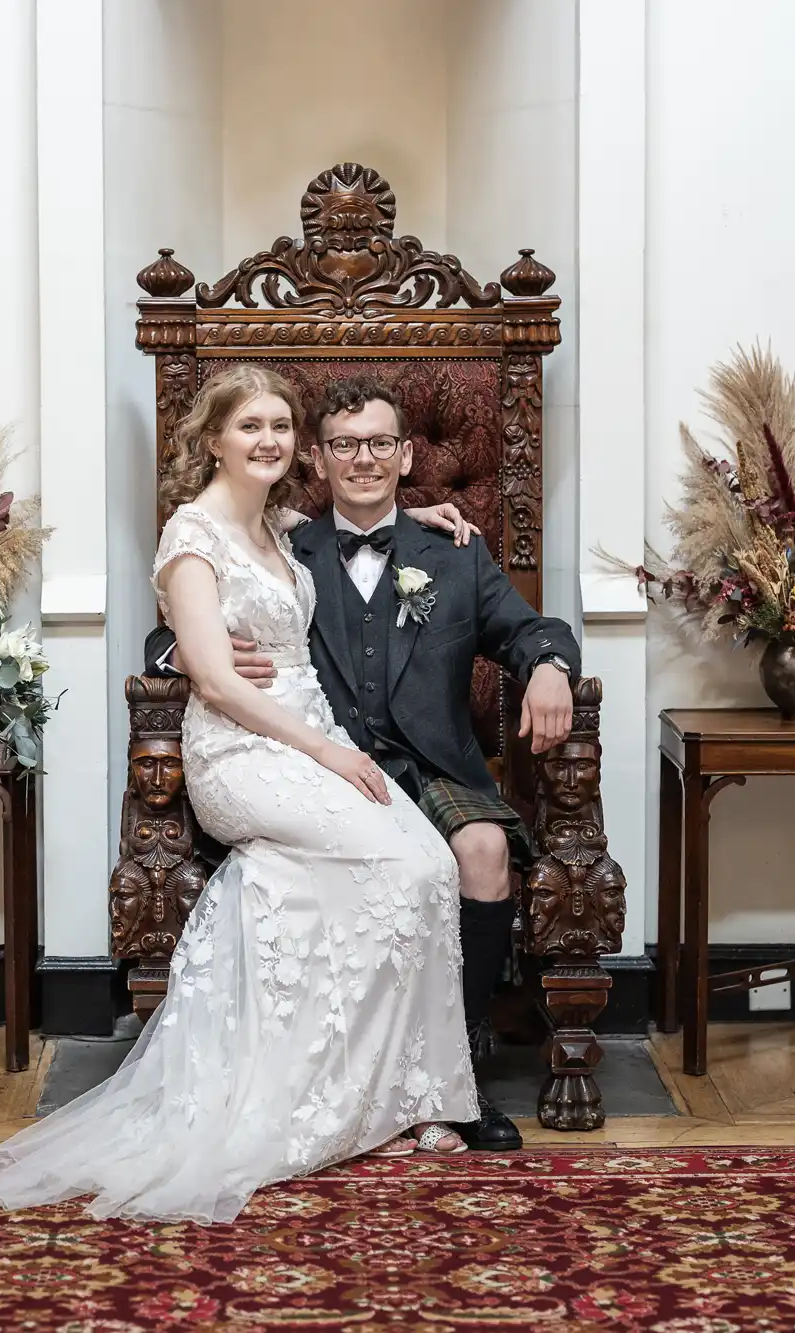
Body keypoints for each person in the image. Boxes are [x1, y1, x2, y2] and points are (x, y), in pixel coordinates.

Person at [0, 365, 492, 1223]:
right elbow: (214, 675)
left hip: (318, 744)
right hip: (245, 752)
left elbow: (355, 534)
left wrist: (412, 517)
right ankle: (331, 1097)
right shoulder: (190, 535)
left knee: (425, 860)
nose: (270, 439)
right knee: (405, 860)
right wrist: (325, 751)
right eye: (252, 427)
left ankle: (391, 1096)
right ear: (215, 440)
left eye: (281, 424)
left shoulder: (286, 526)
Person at [146, 373, 582, 1152]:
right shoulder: (287, 539)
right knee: (393, 865)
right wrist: (179, 650)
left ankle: (462, 1066)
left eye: (380, 443)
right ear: (318, 459)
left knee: (480, 849)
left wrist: (549, 666)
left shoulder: (452, 553)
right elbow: (192, 628)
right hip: (320, 758)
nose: (364, 460)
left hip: (428, 763)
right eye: (345, 445)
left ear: (407, 453)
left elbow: (528, 627)